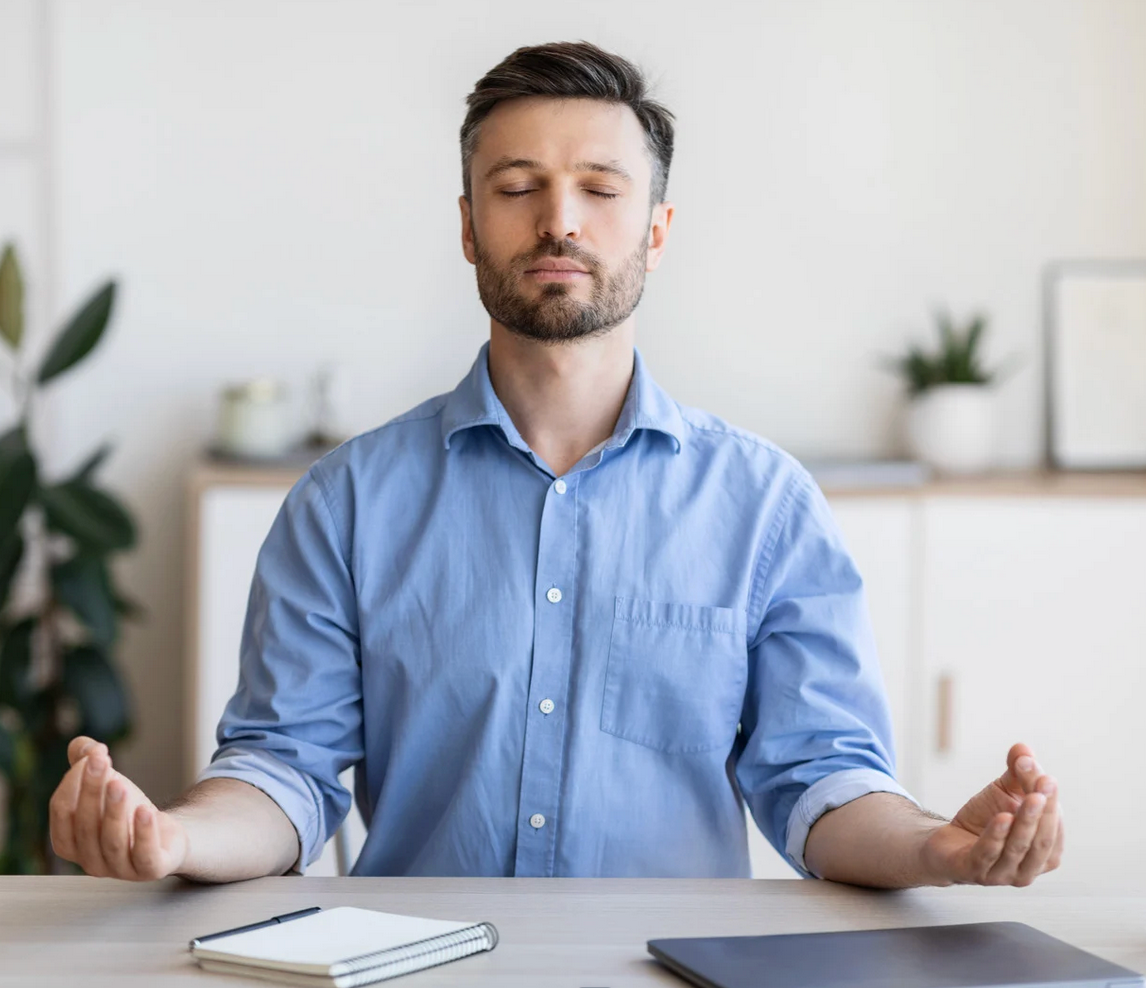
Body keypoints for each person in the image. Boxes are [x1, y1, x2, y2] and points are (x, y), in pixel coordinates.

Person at [49, 41, 1062, 888]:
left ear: (657, 231)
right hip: (417, 967)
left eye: (599, 189)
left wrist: (942, 847)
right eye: (518, 186)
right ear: (466, 225)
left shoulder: (764, 506)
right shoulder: (345, 502)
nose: (559, 221)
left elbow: (820, 783)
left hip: (670, 970)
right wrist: (177, 838)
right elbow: (282, 772)